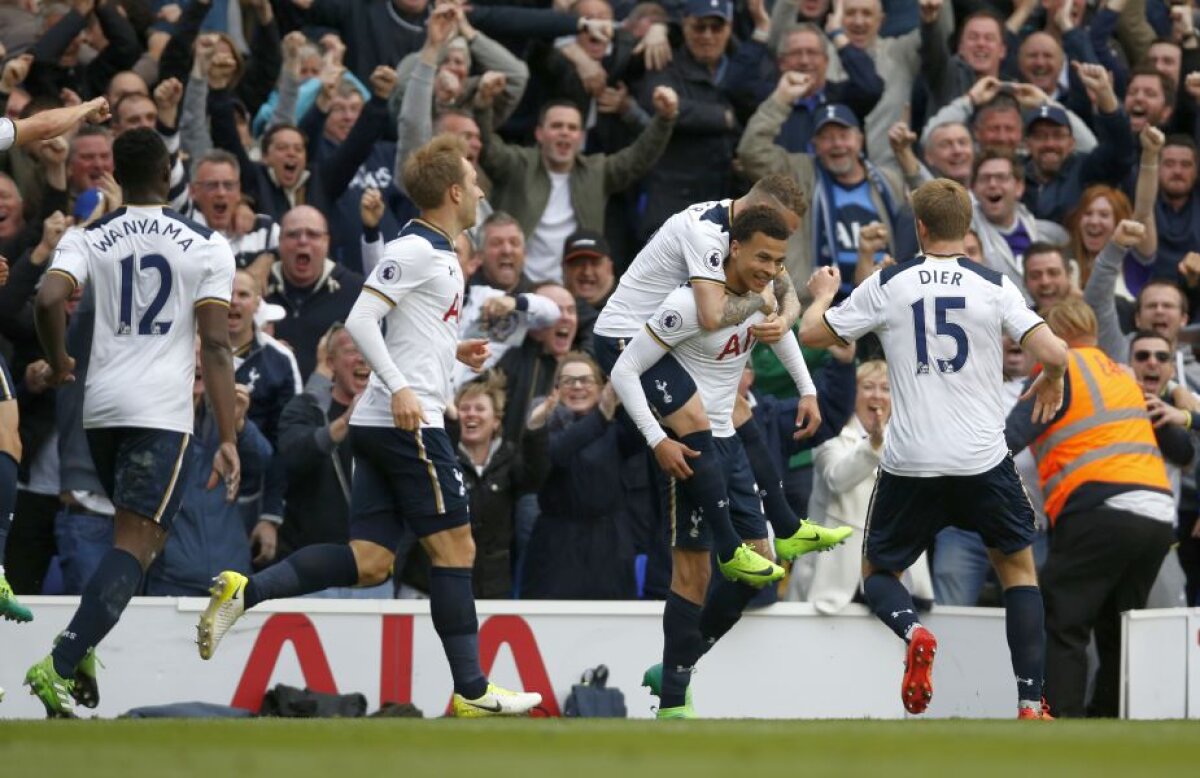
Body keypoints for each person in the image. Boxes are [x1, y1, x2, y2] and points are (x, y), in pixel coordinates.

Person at [197, 134, 543, 717]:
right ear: (455, 192)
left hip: (387, 422)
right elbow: (359, 317)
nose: (482, 189)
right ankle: (474, 690)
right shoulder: (415, 250)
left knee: (370, 561)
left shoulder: (437, 250)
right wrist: (405, 386)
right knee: (457, 547)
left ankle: (245, 590)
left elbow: (409, 327)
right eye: (474, 181)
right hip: (408, 422)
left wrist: (450, 353)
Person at [799, 177, 1070, 720]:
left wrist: (823, 296)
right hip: (980, 457)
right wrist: (1053, 377)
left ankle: (915, 631)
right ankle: (1029, 702)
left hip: (910, 461)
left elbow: (811, 334)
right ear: (967, 227)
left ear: (919, 227)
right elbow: (1053, 348)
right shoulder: (994, 284)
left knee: (877, 573)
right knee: (1017, 571)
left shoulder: (890, 283)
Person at [25, 128, 240, 717]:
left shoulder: (88, 234)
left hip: (100, 412)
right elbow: (217, 347)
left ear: (116, 172)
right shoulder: (205, 244)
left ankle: (84, 644)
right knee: (136, 546)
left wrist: (63, 357)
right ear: (169, 174)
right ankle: (61, 663)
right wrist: (227, 435)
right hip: (160, 415)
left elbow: (48, 299)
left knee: (135, 535)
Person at [612, 206, 852, 718]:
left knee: (762, 570)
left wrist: (807, 389)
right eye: (761, 256)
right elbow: (625, 371)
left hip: (730, 444)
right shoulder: (686, 304)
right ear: (734, 248)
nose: (770, 268)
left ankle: (677, 665)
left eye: (778, 260)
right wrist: (658, 439)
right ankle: (675, 704)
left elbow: (776, 331)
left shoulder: (756, 298)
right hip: (691, 447)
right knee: (694, 575)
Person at [593, 175, 820, 583]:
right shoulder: (705, 232)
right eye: (774, 238)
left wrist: (779, 317)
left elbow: (783, 297)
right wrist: (763, 303)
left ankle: (781, 526)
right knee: (696, 420)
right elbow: (713, 314)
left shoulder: (750, 243)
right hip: (626, 333)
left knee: (734, 406)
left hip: (670, 336)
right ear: (752, 222)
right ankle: (731, 545)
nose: (774, 261)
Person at [1005, 298, 1178, 718]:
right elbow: (1182, 448)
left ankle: (1061, 720)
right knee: (1115, 624)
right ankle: (1108, 721)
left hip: (1100, 510)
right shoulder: (1123, 375)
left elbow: (1008, 438)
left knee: (1063, 619)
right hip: (1157, 516)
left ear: (1053, 336)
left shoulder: (1057, 371)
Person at [0, 93, 111, 623]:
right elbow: (39, 125)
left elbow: (38, 126)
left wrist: (84, 113)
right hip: (48, 476)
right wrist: (88, 108)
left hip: (73, 470)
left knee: (7, 423)